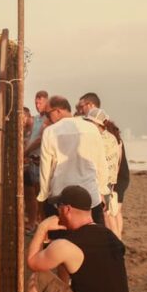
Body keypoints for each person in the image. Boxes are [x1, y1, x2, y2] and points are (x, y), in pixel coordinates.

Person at [26, 185, 133, 292]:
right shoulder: (109, 235)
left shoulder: (66, 245)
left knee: (38, 278)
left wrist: (42, 228)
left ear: (67, 209)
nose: (57, 213)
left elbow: (32, 263)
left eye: (58, 208)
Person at [37, 95, 109, 226]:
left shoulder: (50, 132)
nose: (47, 118)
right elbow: (101, 164)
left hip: (61, 197)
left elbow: (45, 169)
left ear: (58, 111)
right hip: (90, 195)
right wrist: (102, 191)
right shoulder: (91, 128)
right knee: (94, 241)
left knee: (61, 243)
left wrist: (43, 196)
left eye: (48, 114)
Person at [83, 108, 122, 236]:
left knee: (106, 218)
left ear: (98, 125)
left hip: (100, 185)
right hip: (109, 184)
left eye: (90, 122)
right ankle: (116, 244)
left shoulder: (99, 139)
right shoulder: (111, 137)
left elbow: (97, 165)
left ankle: (115, 246)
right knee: (109, 216)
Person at [23, 91, 50, 231]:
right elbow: (31, 138)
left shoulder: (48, 119)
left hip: (41, 160)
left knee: (41, 194)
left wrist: (25, 152)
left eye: (40, 102)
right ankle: (34, 222)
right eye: (36, 102)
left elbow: (40, 140)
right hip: (31, 160)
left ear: (46, 101)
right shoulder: (37, 119)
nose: (37, 104)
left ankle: (41, 224)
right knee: (32, 193)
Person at [105, 118, 130, 238]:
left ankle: (117, 239)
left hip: (114, 180)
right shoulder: (119, 142)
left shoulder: (109, 144)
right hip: (122, 178)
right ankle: (118, 237)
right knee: (116, 211)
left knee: (110, 213)